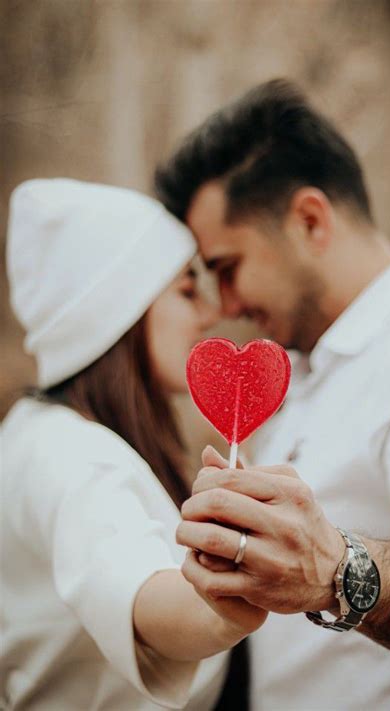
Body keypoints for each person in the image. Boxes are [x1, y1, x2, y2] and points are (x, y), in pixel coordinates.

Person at [155, 79, 390, 710]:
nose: (228, 304)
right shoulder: (307, 365)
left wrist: (333, 571)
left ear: (309, 220)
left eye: (227, 267)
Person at [0, 178, 266, 710]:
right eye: (187, 291)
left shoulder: (35, 429)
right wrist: (227, 600)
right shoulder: (69, 454)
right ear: (118, 312)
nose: (211, 315)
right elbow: (135, 594)